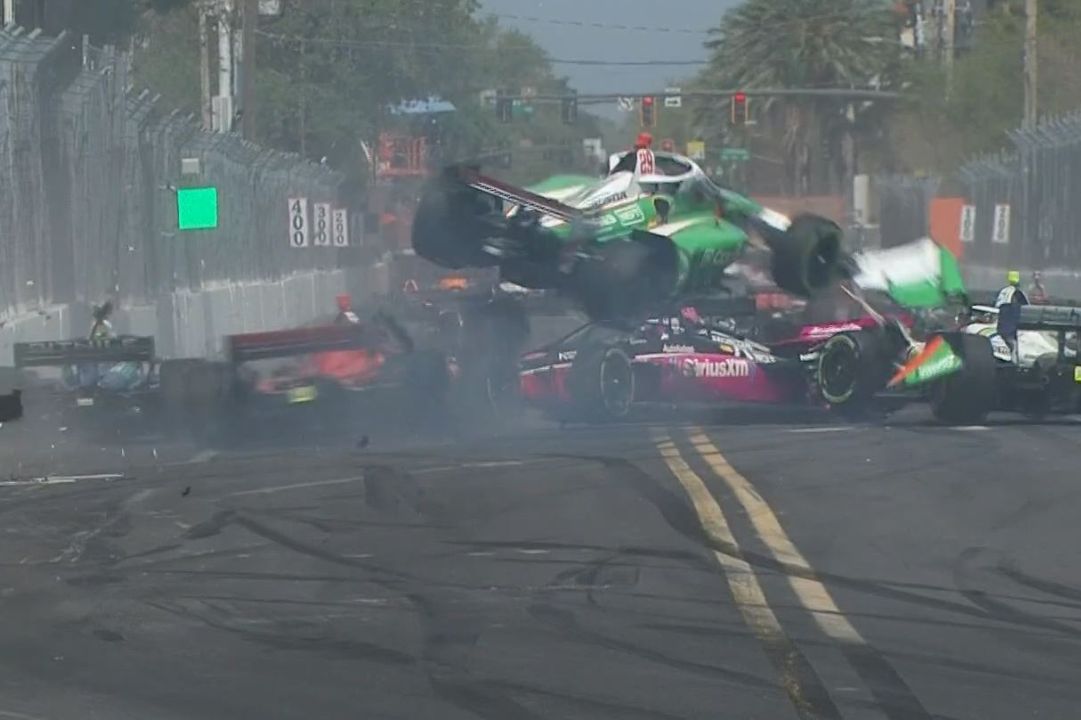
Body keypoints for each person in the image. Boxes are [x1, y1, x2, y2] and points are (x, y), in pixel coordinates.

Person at [995, 270, 1029, 362]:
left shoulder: (1004, 292)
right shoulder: (1018, 293)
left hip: (1001, 325)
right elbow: (1026, 308)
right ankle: (1014, 362)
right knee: (1014, 345)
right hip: (1010, 328)